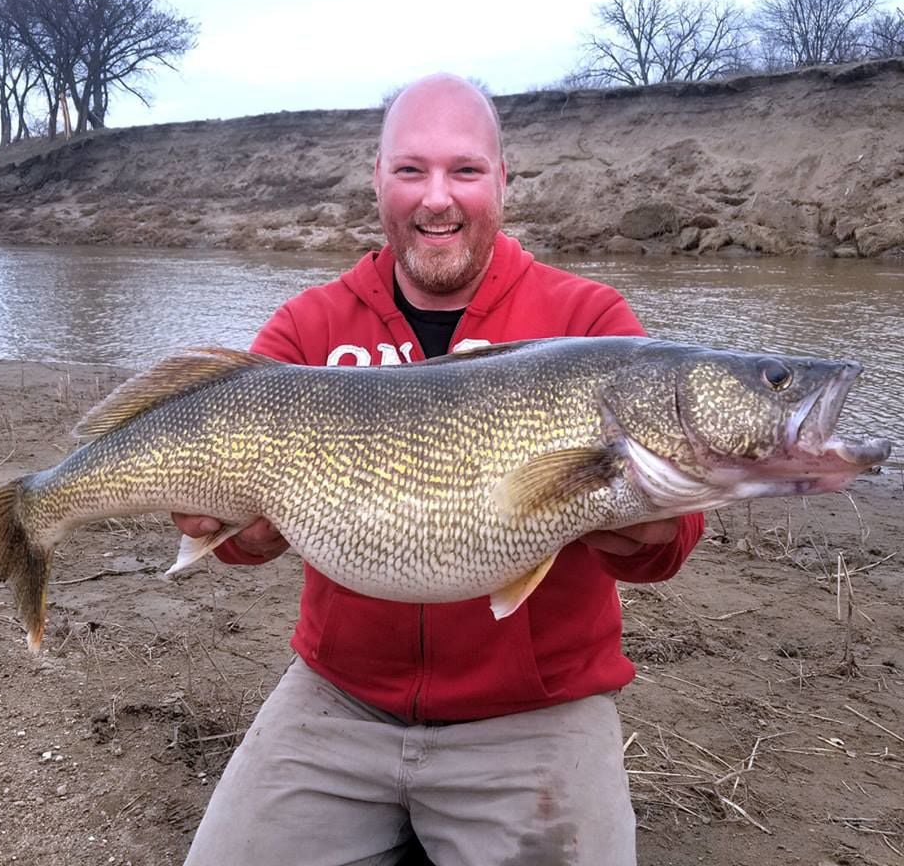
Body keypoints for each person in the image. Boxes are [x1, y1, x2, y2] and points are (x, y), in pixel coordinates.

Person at [176, 74, 704, 866]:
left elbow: (670, 546)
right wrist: (232, 531)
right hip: (338, 699)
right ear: (377, 181)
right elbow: (247, 543)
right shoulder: (308, 326)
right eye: (411, 170)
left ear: (503, 182)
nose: (437, 200)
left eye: (465, 170)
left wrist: (640, 514)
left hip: (537, 713)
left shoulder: (590, 323)